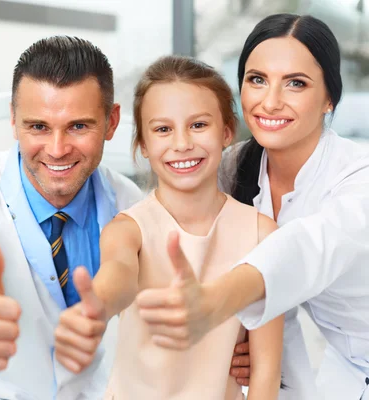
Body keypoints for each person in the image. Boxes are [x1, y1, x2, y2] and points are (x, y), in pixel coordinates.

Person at [0, 36, 142, 400]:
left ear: (111, 122)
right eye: (38, 127)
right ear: (13, 120)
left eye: (79, 126)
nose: (57, 149)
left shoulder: (130, 203)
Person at [148, 14, 369, 400]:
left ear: (329, 98)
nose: (270, 101)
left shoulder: (358, 177)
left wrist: (216, 301)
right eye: (257, 79)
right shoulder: (233, 168)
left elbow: (305, 249)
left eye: (296, 84)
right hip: (343, 363)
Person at [54, 55, 285, 399]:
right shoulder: (127, 229)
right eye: (163, 129)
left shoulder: (262, 234)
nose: (181, 144)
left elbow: (266, 373)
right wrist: (97, 306)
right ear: (144, 145)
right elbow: (118, 273)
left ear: (226, 132)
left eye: (198, 125)